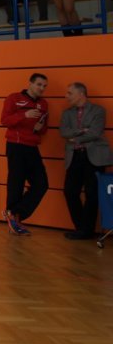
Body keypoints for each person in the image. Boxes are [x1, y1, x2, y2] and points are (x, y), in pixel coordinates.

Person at [59, 82, 113, 240]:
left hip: (94, 157)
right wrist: (82, 131)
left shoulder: (98, 110)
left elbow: (95, 132)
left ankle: (86, 230)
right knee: (70, 191)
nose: (66, 96)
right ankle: (82, 228)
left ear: (81, 94)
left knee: (92, 194)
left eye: (70, 93)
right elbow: (63, 132)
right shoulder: (66, 113)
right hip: (74, 156)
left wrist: (75, 137)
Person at [0, 73, 50, 235]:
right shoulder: (14, 98)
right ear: (30, 83)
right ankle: (14, 221)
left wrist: (40, 128)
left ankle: (14, 213)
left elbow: (44, 128)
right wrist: (24, 115)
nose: (42, 88)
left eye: (44, 86)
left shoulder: (43, 104)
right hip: (16, 146)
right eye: (39, 84)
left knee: (42, 184)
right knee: (16, 184)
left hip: (32, 147)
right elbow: (4, 120)